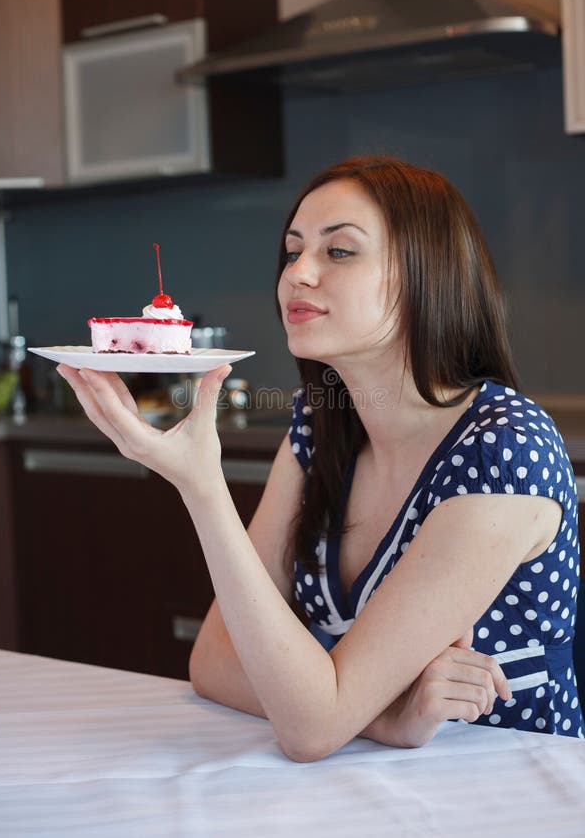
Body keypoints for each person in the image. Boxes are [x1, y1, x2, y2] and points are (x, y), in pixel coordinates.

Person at [58, 155, 583, 761]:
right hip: (365, 779)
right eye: (292, 250)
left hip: (513, 787)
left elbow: (311, 728)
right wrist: (383, 717)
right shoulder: (320, 420)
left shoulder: (503, 453)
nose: (297, 274)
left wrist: (202, 485)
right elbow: (213, 659)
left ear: (426, 275)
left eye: (339, 252)